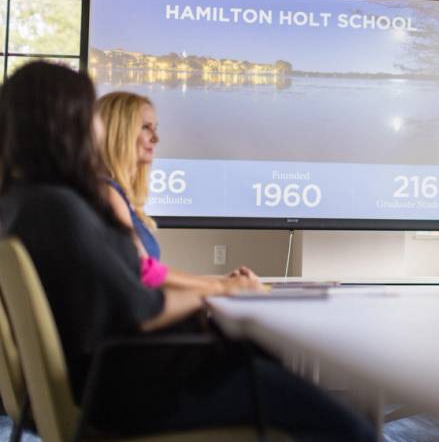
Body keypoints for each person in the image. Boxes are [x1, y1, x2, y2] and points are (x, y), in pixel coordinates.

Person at [0, 61, 372, 441]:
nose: (97, 125)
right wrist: (224, 289)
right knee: (348, 427)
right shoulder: (60, 210)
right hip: (136, 394)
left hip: (114, 385)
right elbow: (140, 309)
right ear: (68, 121)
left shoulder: (20, 204)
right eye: (89, 110)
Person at [96, 91, 258, 294]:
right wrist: (222, 286)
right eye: (146, 128)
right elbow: (144, 272)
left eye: (155, 128)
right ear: (118, 132)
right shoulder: (109, 194)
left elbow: (152, 273)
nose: (156, 138)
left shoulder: (117, 194)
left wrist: (222, 280)